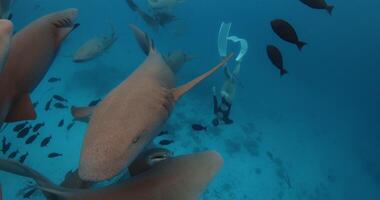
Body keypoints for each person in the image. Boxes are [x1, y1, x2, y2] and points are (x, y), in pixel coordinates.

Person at [212, 22, 247, 127]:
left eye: (216, 119)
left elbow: (215, 102)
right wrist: (224, 122)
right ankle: (239, 62)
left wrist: (213, 93)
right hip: (230, 98)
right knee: (232, 78)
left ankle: (225, 64)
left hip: (224, 94)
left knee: (227, 77)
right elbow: (231, 122)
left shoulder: (215, 112)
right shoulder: (225, 118)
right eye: (218, 120)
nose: (217, 118)